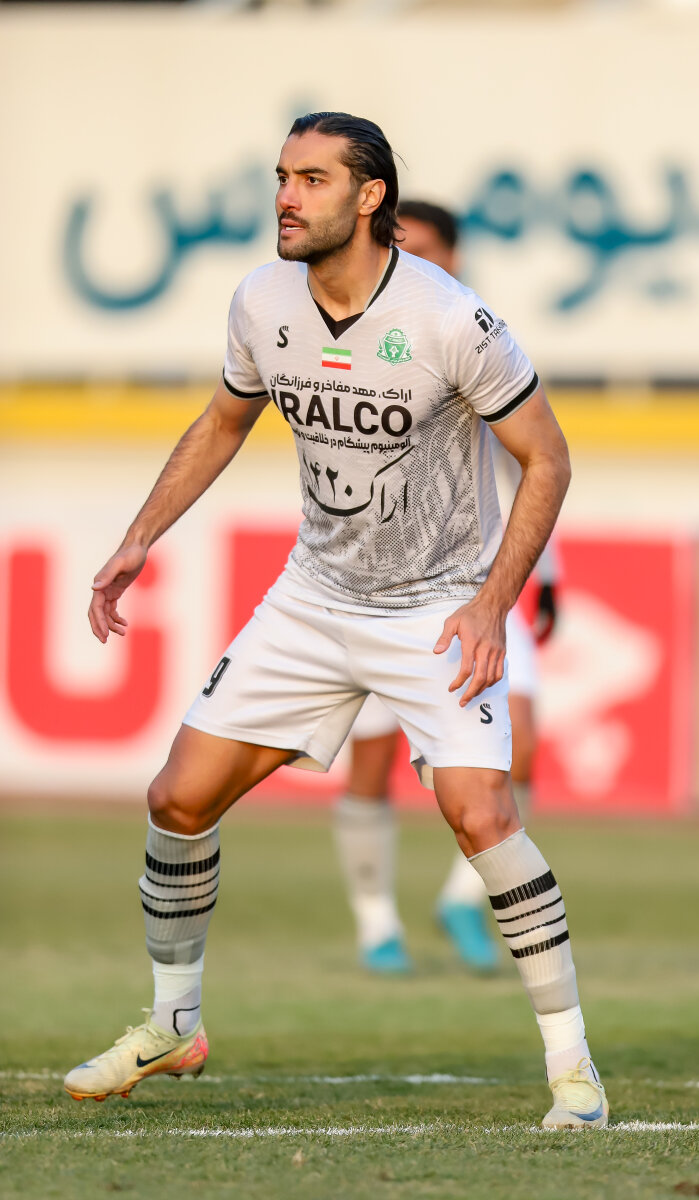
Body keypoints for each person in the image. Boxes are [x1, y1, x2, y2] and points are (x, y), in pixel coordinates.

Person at [64, 112, 608, 1129]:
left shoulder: (452, 319)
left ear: (368, 198)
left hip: (436, 606)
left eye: (311, 179)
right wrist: (140, 537)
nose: (285, 196)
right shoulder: (261, 299)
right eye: (282, 176)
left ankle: (573, 1070)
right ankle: (173, 1023)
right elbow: (223, 421)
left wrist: (491, 603)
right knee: (177, 798)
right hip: (313, 599)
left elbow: (549, 459)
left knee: (483, 817)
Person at [335, 199, 562, 975]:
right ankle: (376, 924)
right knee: (372, 763)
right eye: (397, 244)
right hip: (372, 589)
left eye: (423, 247)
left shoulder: (477, 336)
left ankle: (463, 899)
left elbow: (533, 463)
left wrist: (547, 576)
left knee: (518, 744)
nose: (407, 258)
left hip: (477, 589)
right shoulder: (357, 340)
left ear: (454, 258)